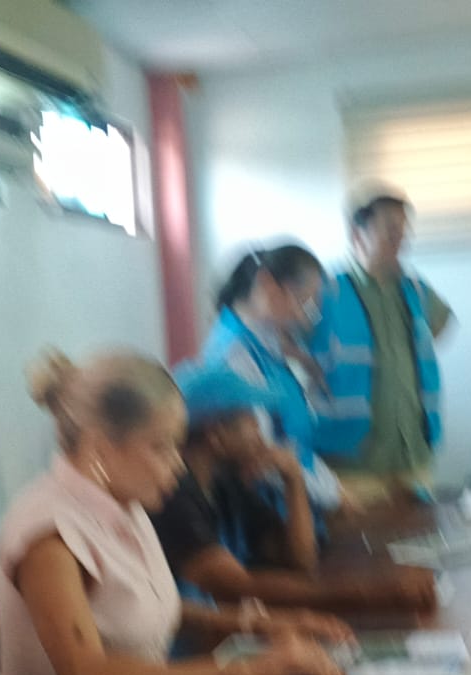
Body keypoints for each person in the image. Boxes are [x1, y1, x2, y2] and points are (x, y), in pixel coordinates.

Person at [0, 349, 353, 675]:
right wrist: (254, 671)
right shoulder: (49, 536)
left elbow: (148, 611)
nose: (178, 465)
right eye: (161, 447)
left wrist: (262, 624)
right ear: (100, 449)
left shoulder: (126, 505)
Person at [153, 364, 438, 613]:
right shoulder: (174, 496)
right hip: (196, 645)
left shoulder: (226, 483)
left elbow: (300, 559)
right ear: (216, 435)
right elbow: (239, 587)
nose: (259, 430)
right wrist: (371, 593)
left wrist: (294, 478)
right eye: (249, 420)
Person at [308, 183, 455, 507]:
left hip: (412, 456)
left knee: (420, 536)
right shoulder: (326, 291)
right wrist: (309, 366)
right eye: (390, 229)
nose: (401, 239)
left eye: (404, 231)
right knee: (361, 539)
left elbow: (444, 322)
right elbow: (284, 339)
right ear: (357, 234)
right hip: (352, 463)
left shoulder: (415, 289)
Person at [199, 243, 344, 514]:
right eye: (302, 302)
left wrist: (332, 487)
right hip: (268, 513)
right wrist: (330, 493)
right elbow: (261, 455)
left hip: (299, 501)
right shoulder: (235, 354)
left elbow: (295, 445)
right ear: (267, 283)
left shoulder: (267, 347)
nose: (303, 318)